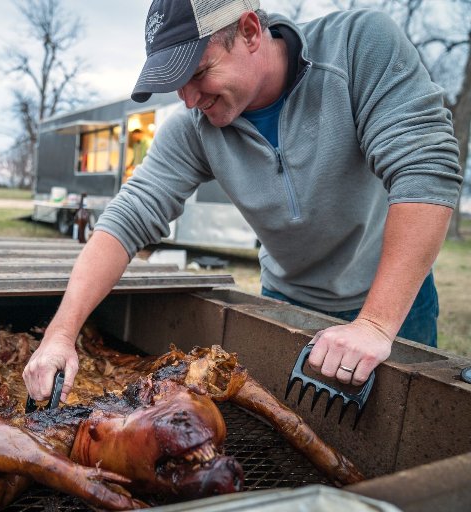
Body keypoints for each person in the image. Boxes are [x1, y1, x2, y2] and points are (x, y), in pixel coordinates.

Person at [23, 0, 462, 402]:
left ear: (251, 31)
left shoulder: (358, 45)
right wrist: (61, 333)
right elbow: (128, 217)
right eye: (177, 84)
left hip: (393, 301)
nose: (190, 99)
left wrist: (374, 325)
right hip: (287, 301)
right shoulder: (194, 127)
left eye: (197, 72)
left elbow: (424, 169)